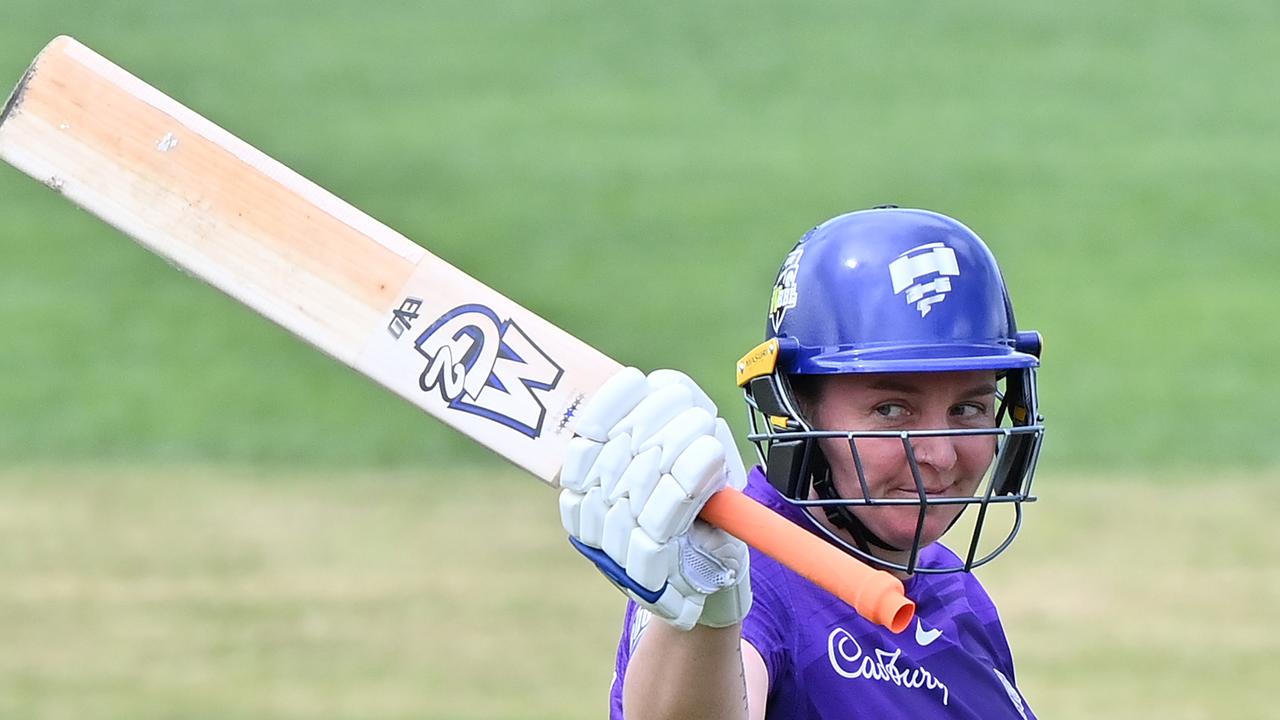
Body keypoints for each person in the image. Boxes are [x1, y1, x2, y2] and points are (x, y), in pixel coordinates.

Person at [559, 206, 1045, 719]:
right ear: (793, 411)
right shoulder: (740, 575)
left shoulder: (949, 583)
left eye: (967, 409)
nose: (940, 454)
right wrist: (704, 620)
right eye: (891, 410)